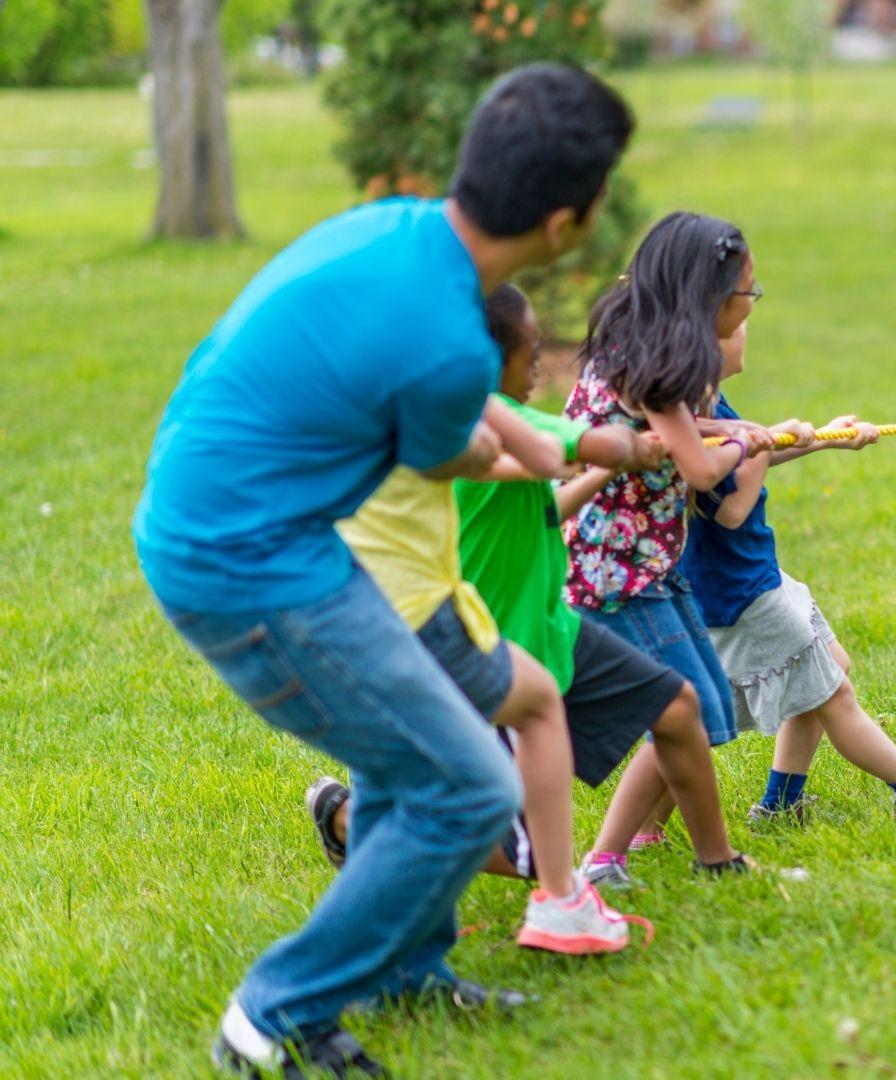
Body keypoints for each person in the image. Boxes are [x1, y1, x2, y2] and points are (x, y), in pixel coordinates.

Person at [131, 64, 631, 1076]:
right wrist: (555, 448)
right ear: (570, 220)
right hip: (247, 562)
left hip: (246, 522)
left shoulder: (399, 230)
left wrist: (537, 442)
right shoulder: (451, 347)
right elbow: (448, 452)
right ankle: (272, 1015)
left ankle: (408, 968)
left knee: (410, 754)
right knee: (465, 786)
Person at [313, 285, 756, 916]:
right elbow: (577, 445)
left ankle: (720, 862)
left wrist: (614, 467)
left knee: (678, 709)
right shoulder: (475, 426)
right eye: (529, 352)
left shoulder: (486, 422)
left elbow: (548, 501)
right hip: (486, 643)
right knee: (526, 855)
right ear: (488, 361)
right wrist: (631, 445)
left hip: (552, 624)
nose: (541, 365)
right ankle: (354, 821)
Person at [679, 316, 896, 820]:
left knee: (829, 667)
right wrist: (764, 441)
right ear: (708, 345)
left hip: (753, 577)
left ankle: (779, 804)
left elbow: (750, 460)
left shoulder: (711, 409)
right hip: (738, 593)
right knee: (830, 696)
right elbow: (729, 510)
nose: (748, 326)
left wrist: (823, 439)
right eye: (738, 320)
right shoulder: (693, 419)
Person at [563, 212, 784, 849]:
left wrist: (734, 433)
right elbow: (696, 465)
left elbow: (670, 438)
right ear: (708, 295)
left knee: (702, 708)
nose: (749, 307)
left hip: (652, 562)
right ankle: (681, 857)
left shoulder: (648, 348)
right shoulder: (653, 364)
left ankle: (633, 853)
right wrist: (744, 448)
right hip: (615, 570)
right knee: (681, 708)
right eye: (747, 293)